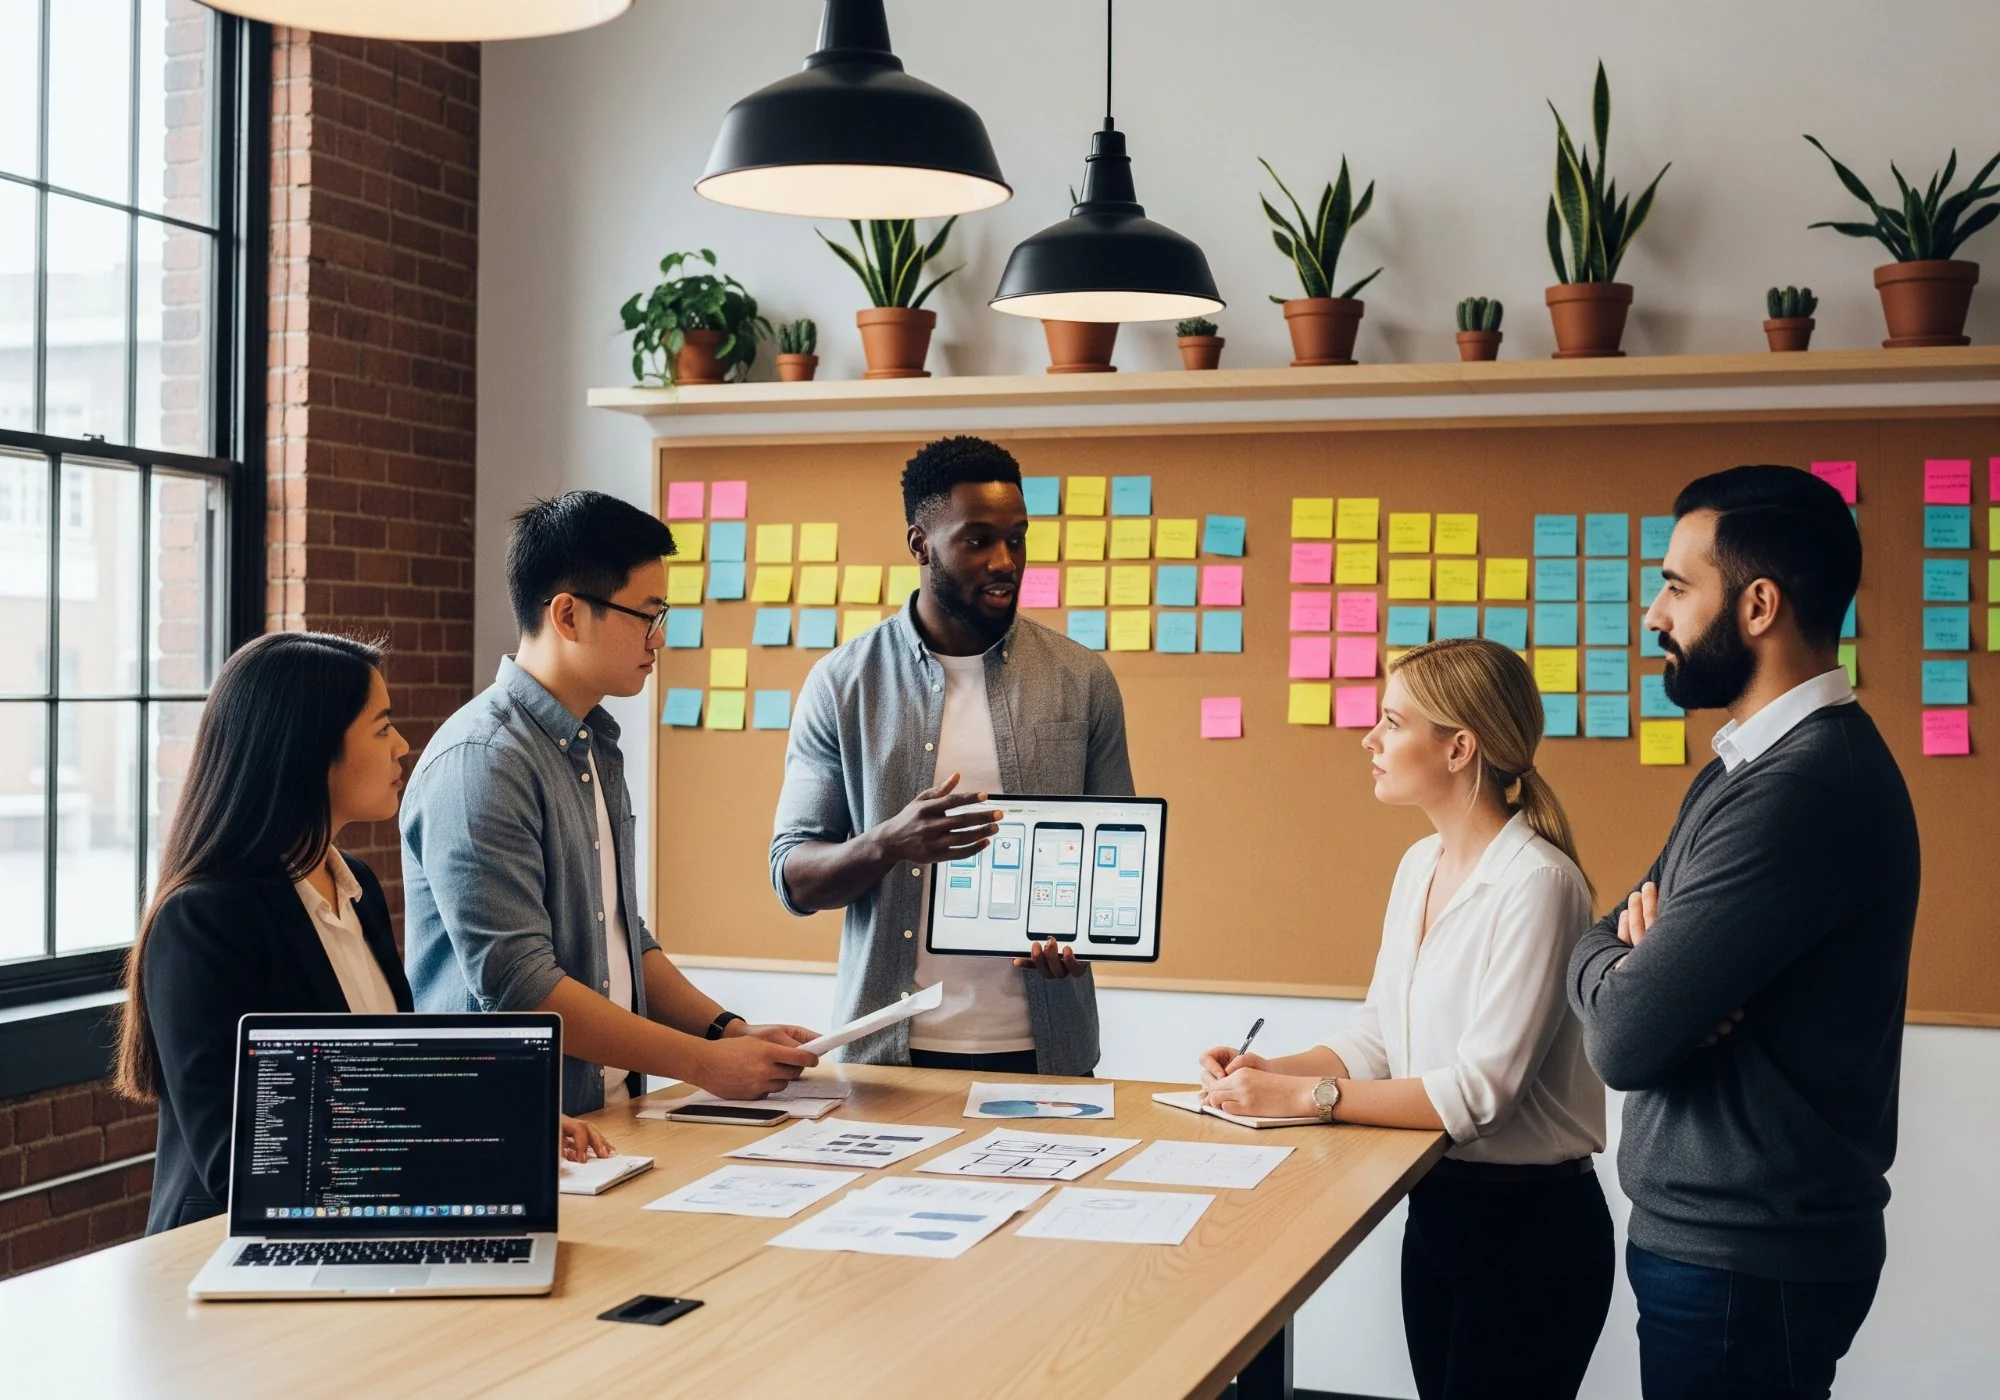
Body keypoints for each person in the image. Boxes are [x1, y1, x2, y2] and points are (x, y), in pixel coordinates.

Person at [1568, 465, 1918, 1400]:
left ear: (1758, 606)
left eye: (1677, 588)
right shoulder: (1744, 770)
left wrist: (1643, 979)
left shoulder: (1802, 789)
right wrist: (1628, 961)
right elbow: (1600, 935)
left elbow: (1624, 1038)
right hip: (1726, 1254)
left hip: (1744, 1267)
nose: (1653, 614)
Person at [1198, 637, 1610, 1400]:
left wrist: (1303, 1099)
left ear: (1459, 748)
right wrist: (1269, 1073)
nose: (1370, 740)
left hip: (1531, 1231)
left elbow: (1479, 1097)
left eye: (1392, 722)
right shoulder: (1420, 865)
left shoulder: (1539, 884)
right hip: (1436, 1209)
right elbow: (1379, 1038)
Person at [116, 632, 613, 1236]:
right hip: (236, 1250)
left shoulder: (357, 886)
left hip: (364, 1227)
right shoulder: (202, 921)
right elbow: (240, 1165)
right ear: (309, 751)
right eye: (382, 728)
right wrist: (467, 1139)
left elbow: (389, 1080)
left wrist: (504, 1120)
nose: (403, 745)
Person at [403, 491, 818, 1113]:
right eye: (647, 615)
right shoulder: (483, 761)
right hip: (517, 1128)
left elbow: (620, 932)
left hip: (610, 1118)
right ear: (568, 615)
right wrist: (703, 1064)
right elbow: (519, 985)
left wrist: (727, 1031)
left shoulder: (592, 742)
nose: (660, 638)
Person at [771, 435, 1134, 1075]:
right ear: (920, 545)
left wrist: (1086, 936)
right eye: (978, 540)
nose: (1005, 561)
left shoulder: (1081, 679)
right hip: (889, 1057)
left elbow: (1119, 860)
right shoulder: (843, 683)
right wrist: (887, 843)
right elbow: (793, 878)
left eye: (1017, 539)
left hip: (1048, 1050)